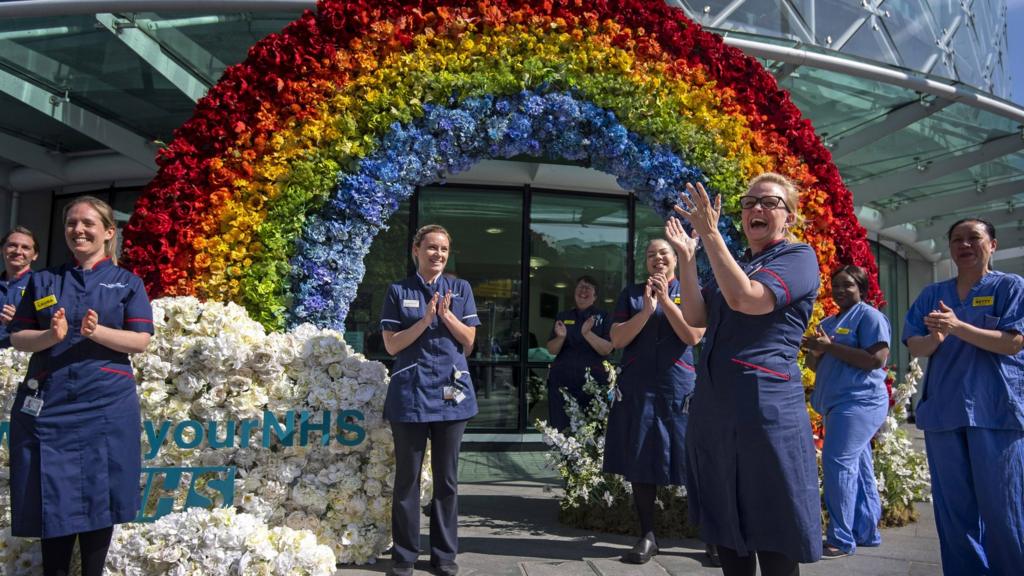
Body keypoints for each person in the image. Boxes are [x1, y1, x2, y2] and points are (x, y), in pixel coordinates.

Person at [671, 173, 822, 575]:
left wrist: (711, 234)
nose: (756, 208)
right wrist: (688, 257)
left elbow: (746, 299)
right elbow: (695, 315)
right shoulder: (739, 264)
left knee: (771, 523)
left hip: (764, 411)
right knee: (726, 525)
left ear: (789, 217)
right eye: (750, 201)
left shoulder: (799, 258)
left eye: (769, 202)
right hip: (716, 410)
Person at [8, 196, 153, 576]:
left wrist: (98, 331)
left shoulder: (127, 283)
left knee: (99, 495)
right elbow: (18, 335)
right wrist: (48, 337)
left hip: (106, 404)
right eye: (71, 223)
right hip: (51, 403)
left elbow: (140, 341)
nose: (78, 230)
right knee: (52, 495)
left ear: (108, 232)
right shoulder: (43, 280)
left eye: (88, 223)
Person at [903, 218, 1024, 576]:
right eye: (957, 240)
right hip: (945, 412)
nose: (965, 245)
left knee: (1004, 511)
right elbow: (916, 345)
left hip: (996, 411)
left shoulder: (1010, 287)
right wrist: (937, 338)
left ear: (993, 245)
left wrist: (957, 327)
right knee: (954, 513)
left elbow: (1013, 342)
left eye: (974, 238)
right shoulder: (931, 294)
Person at [379, 224, 480, 576]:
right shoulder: (398, 290)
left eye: (444, 249)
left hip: (452, 396)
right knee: (407, 479)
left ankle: (444, 555)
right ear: (416, 251)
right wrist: (425, 320)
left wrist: (447, 315)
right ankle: (405, 556)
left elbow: (469, 341)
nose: (438, 254)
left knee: (447, 480)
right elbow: (392, 345)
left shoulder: (460, 289)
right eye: (432, 248)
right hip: (410, 396)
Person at [602, 234, 704, 564]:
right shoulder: (632, 294)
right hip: (639, 388)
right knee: (642, 461)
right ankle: (647, 536)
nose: (657, 258)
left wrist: (667, 302)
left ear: (676, 258)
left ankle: (712, 537)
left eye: (663, 253)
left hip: (678, 388)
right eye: (650, 255)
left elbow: (693, 335)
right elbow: (617, 339)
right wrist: (646, 310)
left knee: (695, 463)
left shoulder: (688, 291)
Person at [802, 265, 890, 559]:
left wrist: (830, 347)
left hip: (859, 403)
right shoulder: (828, 323)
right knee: (859, 467)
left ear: (861, 289)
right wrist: (817, 353)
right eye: (836, 285)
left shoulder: (870, 317)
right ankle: (866, 531)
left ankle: (840, 539)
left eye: (848, 286)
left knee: (837, 463)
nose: (840, 291)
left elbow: (875, 360)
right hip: (835, 403)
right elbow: (818, 366)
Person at [545, 275, 613, 431]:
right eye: (580, 287)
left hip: (592, 385)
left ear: (595, 296)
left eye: (588, 288)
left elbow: (607, 348)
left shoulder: (604, 317)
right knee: (561, 427)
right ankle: (564, 456)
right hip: (563, 383)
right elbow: (552, 349)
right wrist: (561, 337)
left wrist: (587, 334)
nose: (583, 291)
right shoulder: (563, 316)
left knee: (592, 429)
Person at [0, 226, 38, 348]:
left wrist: (20, 320)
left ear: (35, 255)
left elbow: (49, 327)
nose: (17, 251)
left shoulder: (42, 286)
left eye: (25, 247)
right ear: (2, 249)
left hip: (18, 359)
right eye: (12, 245)